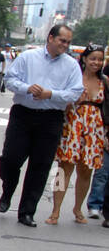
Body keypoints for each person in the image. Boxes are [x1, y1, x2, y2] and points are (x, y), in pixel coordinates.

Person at [0, 24, 82, 226]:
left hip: (51, 119)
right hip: (23, 115)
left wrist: (51, 94)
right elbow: (9, 79)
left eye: (68, 42)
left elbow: (75, 92)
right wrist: (27, 88)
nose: (65, 45)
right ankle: (8, 189)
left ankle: (27, 212)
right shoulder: (28, 57)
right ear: (50, 38)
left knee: (40, 166)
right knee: (10, 158)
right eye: (62, 40)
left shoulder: (71, 65)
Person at [47, 45, 106, 225]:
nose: (96, 62)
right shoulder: (74, 78)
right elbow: (60, 98)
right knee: (63, 169)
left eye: (99, 59)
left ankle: (78, 208)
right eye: (93, 58)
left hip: (94, 129)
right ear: (84, 59)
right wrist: (72, 100)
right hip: (72, 125)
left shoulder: (105, 81)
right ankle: (55, 210)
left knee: (86, 170)